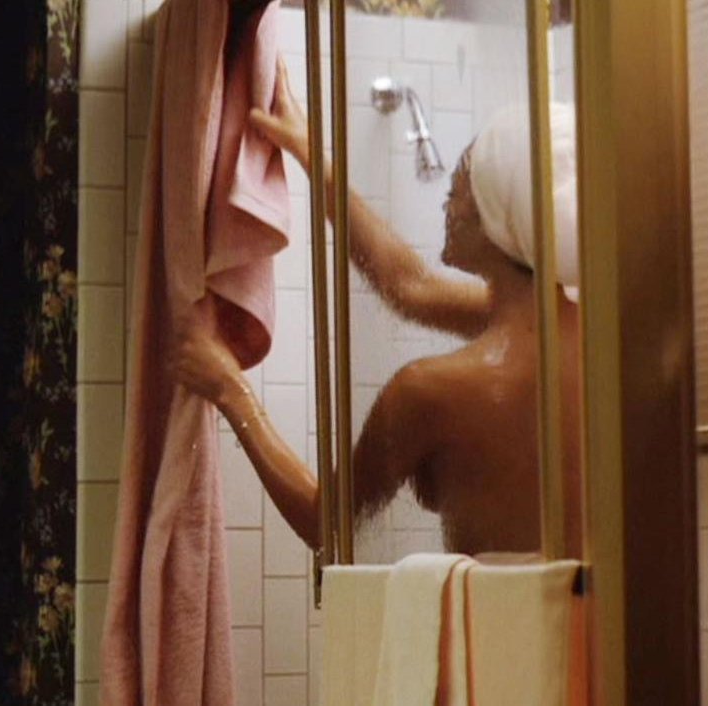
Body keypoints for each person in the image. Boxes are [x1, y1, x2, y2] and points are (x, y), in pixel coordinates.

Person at [175, 58, 583, 557]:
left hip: (492, 610)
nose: (447, 200)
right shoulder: (599, 340)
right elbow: (410, 287)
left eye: (461, 183)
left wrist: (231, 390)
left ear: (498, 220)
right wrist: (311, 154)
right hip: (597, 608)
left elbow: (328, 524)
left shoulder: (427, 390)